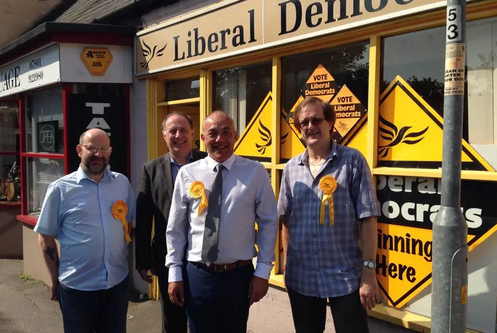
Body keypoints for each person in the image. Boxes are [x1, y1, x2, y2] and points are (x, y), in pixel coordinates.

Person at [166, 111, 278, 333]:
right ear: (203, 138)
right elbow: (176, 229)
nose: (220, 139)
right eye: (213, 133)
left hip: (238, 278)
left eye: (226, 132)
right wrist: (174, 273)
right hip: (197, 275)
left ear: (235, 135)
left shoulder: (255, 172)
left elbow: (268, 222)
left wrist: (263, 272)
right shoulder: (188, 173)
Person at [278, 97, 380, 333]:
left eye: (316, 119)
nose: (310, 126)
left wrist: (368, 273)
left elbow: (368, 219)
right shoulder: (291, 168)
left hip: (345, 277)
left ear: (331, 123)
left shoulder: (352, 161)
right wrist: (287, 264)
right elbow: (286, 219)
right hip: (301, 277)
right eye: (304, 122)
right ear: (298, 128)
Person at [34, 128, 136, 333]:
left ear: (110, 151)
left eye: (103, 149)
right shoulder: (60, 189)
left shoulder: (122, 183)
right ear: (80, 150)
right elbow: (45, 237)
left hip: (116, 284)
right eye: (92, 148)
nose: (98, 154)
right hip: (77, 287)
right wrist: (55, 278)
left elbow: (129, 227)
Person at [135, 112, 206, 333]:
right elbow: (144, 217)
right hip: (167, 257)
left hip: (204, 258)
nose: (178, 135)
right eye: (172, 131)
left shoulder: (208, 162)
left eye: (183, 130)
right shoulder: (151, 169)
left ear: (193, 133)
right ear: (164, 135)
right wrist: (142, 260)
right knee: (173, 319)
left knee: (203, 318)